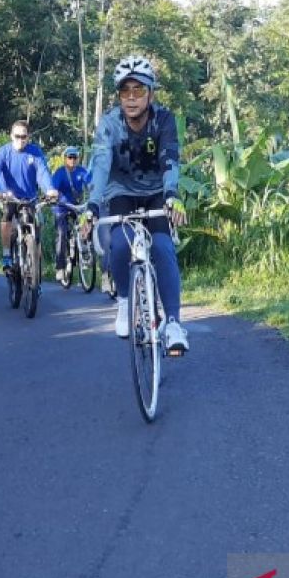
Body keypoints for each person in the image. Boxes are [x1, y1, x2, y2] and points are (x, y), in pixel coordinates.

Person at [87, 55, 189, 354]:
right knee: (119, 243)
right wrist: (93, 206)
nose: (131, 98)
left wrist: (171, 195)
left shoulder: (164, 119)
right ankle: (123, 302)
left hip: (157, 190)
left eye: (139, 90)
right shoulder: (109, 123)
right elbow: (102, 165)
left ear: (151, 93)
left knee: (162, 246)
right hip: (121, 192)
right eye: (124, 91)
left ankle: (172, 323)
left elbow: (170, 157)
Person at [0, 120, 58, 271]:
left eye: (24, 136)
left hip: (30, 198)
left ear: (28, 137)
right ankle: (7, 255)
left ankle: (36, 267)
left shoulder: (35, 152)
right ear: (11, 136)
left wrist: (50, 189)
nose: (20, 139)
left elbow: (42, 173)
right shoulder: (3, 152)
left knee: (37, 226)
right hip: (9, 196)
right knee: (7, 217)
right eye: (17, 136)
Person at [51, 146, 90, 281]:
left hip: (77, 207)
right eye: (70, 157)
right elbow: (52, 189)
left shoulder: (82, 171)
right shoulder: (59, 173)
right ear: (65, 158)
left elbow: (91, 183)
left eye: (74, 157)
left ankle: (85, 253)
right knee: (61, 233)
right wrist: (53, 196)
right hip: (61, 207)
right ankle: (60, 267)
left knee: (88, 223)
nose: (72, 160)